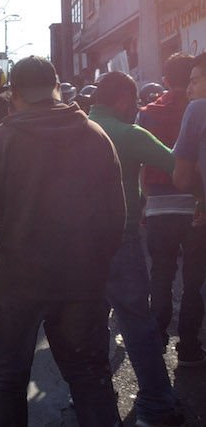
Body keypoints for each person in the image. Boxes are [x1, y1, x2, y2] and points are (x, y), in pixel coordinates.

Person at [0, 56, 124, 426]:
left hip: (19, 282)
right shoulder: (96, 136)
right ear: (57, 87)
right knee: (90, 376)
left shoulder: (0, 140)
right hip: (82, 281)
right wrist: (97, 265)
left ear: (14, 94)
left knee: (8, 380)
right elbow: (115, 218)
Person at [89, 72, 183, 426]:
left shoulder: (77, 129)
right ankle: (157, 406)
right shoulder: (128, 134)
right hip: (119, 238)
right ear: (125, 99)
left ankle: (94, 397)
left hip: (78, 245)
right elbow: (178, 165)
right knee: (136, 325)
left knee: (91, 322)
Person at [137, 53, 206, 366]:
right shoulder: (194, 109)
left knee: (161, 274)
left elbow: (141, 160)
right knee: (194, 281)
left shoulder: (147, 113)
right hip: (195, 204)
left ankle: (158, 340)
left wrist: (146, 198)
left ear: (164, 80)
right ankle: (190, 348)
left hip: (160, 204)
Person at [171, 53, 206, 365]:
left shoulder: (197, 110)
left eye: (194, 80)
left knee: (194, 281)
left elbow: (180, 177)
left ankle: (189, 348)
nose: (189, 88)